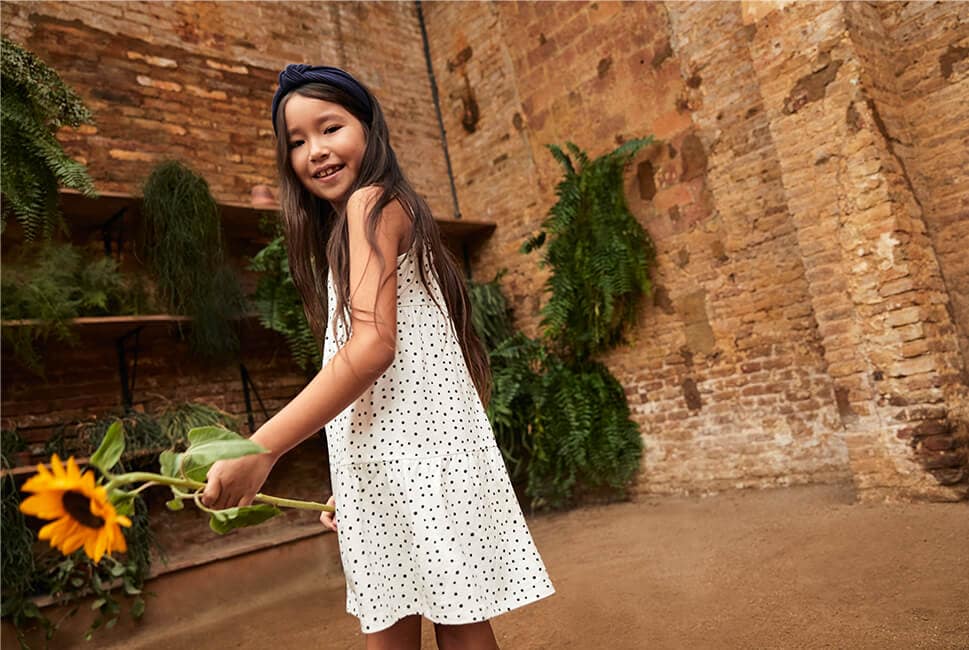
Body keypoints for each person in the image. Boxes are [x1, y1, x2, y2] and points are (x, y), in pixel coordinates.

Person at [202, 64, 555, 650]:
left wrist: (260, 449)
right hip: (397, 464)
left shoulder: (372, 203)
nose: (315, 151)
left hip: (422, 461)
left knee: (453, 622)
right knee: (397, 621)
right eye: (296, 141)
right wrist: (362, 473)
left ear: (369, 128)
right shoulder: (361, 220)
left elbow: (371, 349)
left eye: (330, 127)